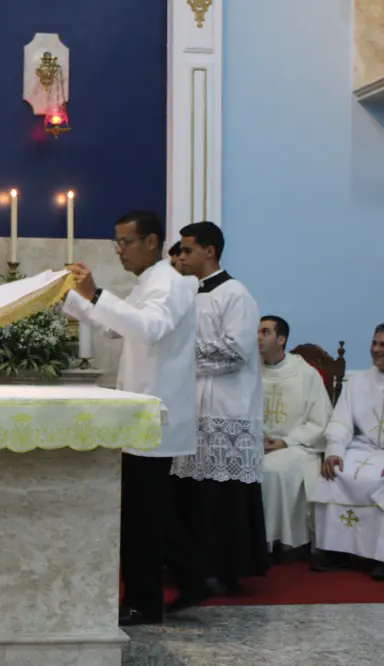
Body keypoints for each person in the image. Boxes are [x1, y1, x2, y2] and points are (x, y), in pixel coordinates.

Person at [65, 210, 208, 626]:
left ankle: (144, 602)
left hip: (156, 412)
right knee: (149, 510)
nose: (119, 250)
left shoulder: (171, 283)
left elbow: (149, 328)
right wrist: (72, 298)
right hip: (141, 411)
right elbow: (115, 328)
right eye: (117, 243)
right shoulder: (149, 282)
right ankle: (194, 577)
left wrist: (95, 294)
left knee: (143, 517)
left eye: (126, 242)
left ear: (151, 242)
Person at [170, 221, 268, 602]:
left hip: (227, 407)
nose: (181, 256)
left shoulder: (236, 294)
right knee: (193, 492)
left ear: (209, 251)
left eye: (187, 249)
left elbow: (236, 352)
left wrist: (181, 358)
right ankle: (193, 568)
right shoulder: (188, 293)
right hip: (192, 405)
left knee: (222, 495)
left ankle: (224, 568)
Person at [310, 324, 384, 580]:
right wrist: (334, 450)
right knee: (334, 472)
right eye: (374, 343)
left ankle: (381, 556)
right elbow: (341, 421)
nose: (376, 350)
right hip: (362, 448)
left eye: (382, 345)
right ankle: (336, 551)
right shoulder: (357, 381)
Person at [257, 315, 332, 552]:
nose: (258, 337)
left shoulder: (305, 374)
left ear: (281, 340)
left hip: (297, 446)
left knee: (270, 470)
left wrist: (285, 442)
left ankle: (272, 541)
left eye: (265, 332)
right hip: (256, 443)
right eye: (257, 332)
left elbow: (319, 422)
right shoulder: (250, 371)